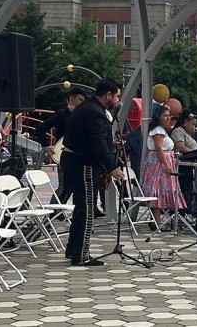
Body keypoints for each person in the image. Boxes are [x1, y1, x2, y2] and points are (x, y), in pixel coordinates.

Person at [62, 78, 125, 266]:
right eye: (116, 96)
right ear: (108, 95)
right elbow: (97, 142)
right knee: (88, 208)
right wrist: (112, 167)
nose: (118, 100)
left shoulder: (88, 108)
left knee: (81, 207)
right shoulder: (95, 113)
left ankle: (73, 248)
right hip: (83, 164)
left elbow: (93, 138)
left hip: (74, 159)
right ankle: (81, 255)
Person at [36, 87, 87, 206]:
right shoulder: (61, 115)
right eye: (79, 100)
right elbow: (41, 129)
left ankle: (59, 210)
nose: (81, 103)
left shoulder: (83, 115)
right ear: (71, 99)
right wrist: (46, 147)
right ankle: (53, 211)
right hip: (62, 153)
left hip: (78, 154)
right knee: (64, 185)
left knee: (73, 186)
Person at [141, 106, 185, 229]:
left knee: (160, 191)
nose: (168, 118)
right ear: (158, 116)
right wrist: (166, 164)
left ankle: (155, 220)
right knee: (158, 191)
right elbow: (159, 148)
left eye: (169, 115)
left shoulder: (162, 130)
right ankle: (156, 222)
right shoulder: (158, 131)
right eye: (165, 115)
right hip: (159, 164)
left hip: (161, 162)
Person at [171, 110, 197, 214]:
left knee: (188, 189)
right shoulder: (178, 131)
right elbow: (181, 147)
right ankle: (179, 213)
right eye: (192, 124)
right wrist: (195, 152)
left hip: (189, 165)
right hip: (181, 165)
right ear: (185, 121)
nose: (193, 128)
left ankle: (185, 211)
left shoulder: (187, 133)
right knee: (182, 189)